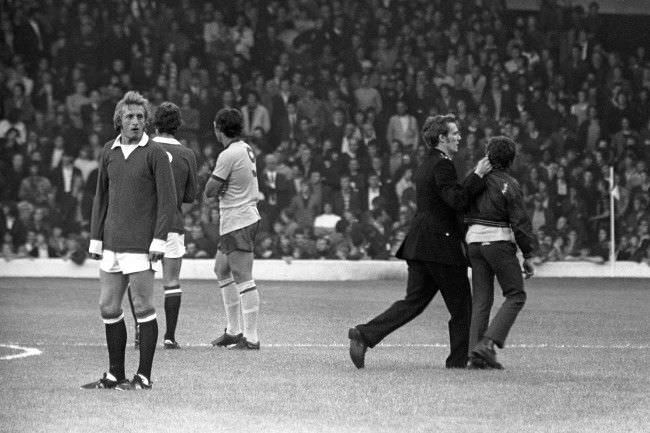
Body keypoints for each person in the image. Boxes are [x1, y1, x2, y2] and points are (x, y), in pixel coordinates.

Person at [348, 114, 492, 369]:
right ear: (441, 138)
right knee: (462, 308)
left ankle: (364, 334)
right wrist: (477, 175)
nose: (459, 137)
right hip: (440, 246)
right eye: (455, 133)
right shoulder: (443, 166)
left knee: (413, 303)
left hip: (421, 243)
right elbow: (456, 200)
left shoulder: (427, 164)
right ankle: (458, 362)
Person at [81, 91, 176, 390]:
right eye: (129, 117)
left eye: (139, 117)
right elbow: (101, 197)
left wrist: (159, 239)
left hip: (141, 244)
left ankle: (143, 377)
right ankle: (114, 374)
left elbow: (168, 201)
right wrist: (96, 238)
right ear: (118, 121)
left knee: (143, 306)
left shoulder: (155, 154)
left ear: (147, 121)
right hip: (111, 243)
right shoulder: (108, 151)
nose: (135, 122)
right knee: (108, 307)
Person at [127, 102, 198, 350]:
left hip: (143, 224)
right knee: (172, 281)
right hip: (172, 225)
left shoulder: (144, 148)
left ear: (154, 123)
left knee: (136, 280)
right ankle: (169, 337)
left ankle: (138, 332)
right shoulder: (187, 154)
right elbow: (190, 196)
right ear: (178, 126)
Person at [464, 136, 537, 369]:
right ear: (511, 160)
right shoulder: (510, 185)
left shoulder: (475, 179)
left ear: (488, 156)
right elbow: (520, 222)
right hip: (498, 243)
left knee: (481, 300)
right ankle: (486, 344)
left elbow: (460, 201)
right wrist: (528, 255)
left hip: (473, 243)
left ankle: (474, 355)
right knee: (516, 294)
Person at [204, 108, 262, 350]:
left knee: (242, 276)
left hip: (240, 220)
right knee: (221, 269)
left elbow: (209, 190)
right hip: (234, 220)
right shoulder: (245, 149)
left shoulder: (228, 155)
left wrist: (218, 187)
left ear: (219, 128)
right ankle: (233, 331)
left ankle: (251, 337)